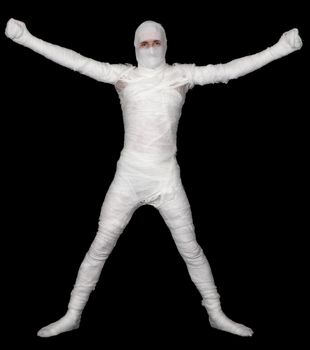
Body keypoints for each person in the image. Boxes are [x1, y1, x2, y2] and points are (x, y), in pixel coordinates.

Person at [5, 18, 302, 338]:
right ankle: (72, 313)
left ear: (165, 44)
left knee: (190, 249)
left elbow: (229, 70)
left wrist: (280, 49)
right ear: (135, 48)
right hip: (129, 177)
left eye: (155, 42)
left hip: (166, 180)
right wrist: (26, 38)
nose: (150, 48)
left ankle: (216, 313)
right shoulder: (123, 76)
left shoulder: (181, 75)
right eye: (143, 44)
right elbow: (77, 61)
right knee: (100, 245)